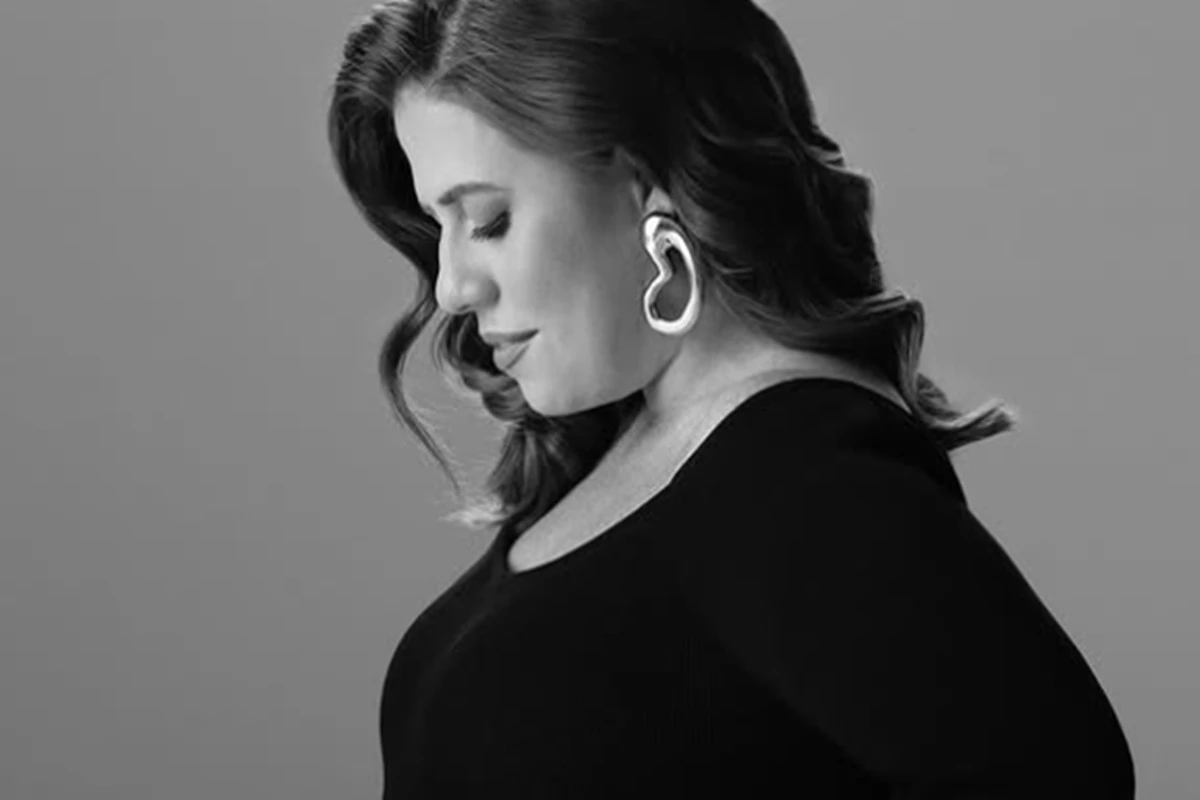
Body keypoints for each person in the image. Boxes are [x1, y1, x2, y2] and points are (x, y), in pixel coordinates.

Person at [326, 0, 1136, 796]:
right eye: (438, 227)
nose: (452, 286)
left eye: (490, 220)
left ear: (649, 186)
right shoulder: (642, 445)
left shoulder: (801, 479)